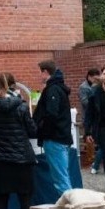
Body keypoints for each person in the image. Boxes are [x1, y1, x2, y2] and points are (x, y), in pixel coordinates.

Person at [0, 72, 37, 209]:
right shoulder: (22, 107)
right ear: (13, 85)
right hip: (21, 158)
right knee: (25, 199)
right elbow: (32, 132)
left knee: (1, 199)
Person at [33, 60, 73, 197]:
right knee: (63, 175)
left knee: (60, 179)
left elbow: (51, 114)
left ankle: (70, 207)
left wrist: (42, 130)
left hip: (55, 139)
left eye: (39, 72)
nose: (39, 75)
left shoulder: (52, 90)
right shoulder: (59, 88)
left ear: (45, 72)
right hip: (62, 138)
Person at [78, 68, 103, 175]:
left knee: (97, 141)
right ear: (89, 76)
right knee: (90, 140)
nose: (96, 79)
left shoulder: (97, 86)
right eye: (94, 77)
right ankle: (90, 161)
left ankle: (95, 161)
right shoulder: (84, 87)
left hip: (96, 118)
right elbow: (84, 102)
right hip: (89, 118)